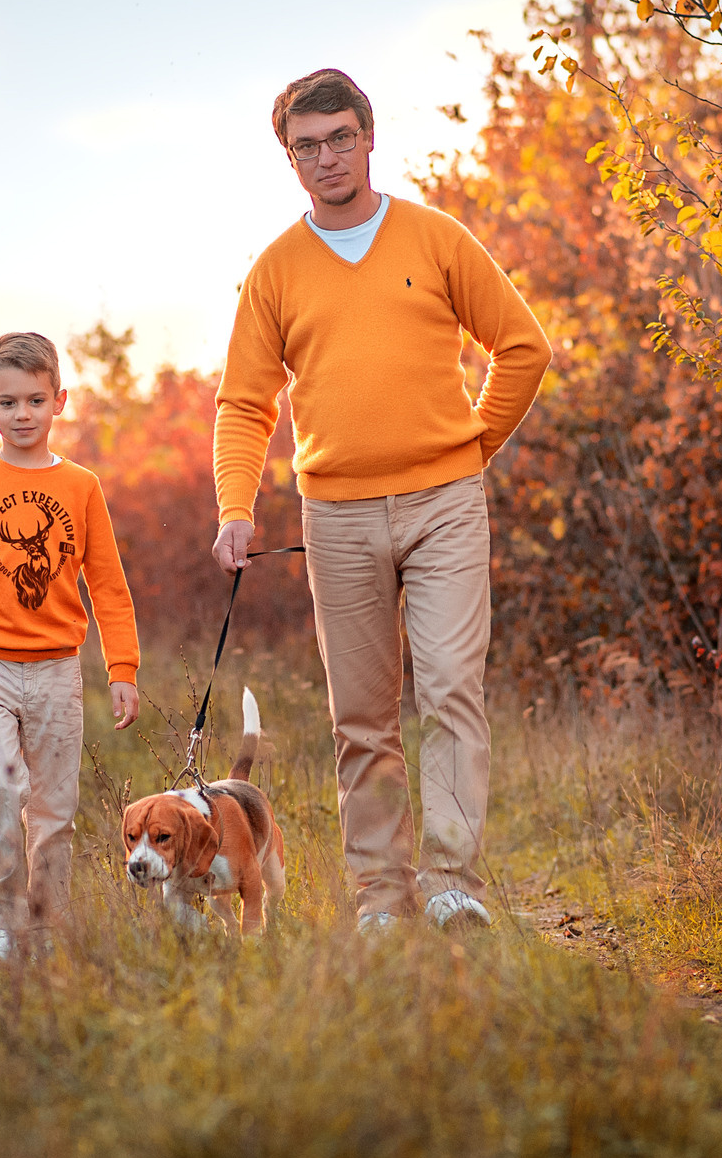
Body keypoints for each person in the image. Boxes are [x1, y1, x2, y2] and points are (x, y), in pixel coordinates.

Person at [212, 68, 551, 932]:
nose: (327, 158)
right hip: (336, 515)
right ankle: (381, 898)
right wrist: (235, 507)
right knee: (361, 718)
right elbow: (245, 404)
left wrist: (472, 446)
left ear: (368, 137)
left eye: (339, 138)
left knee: (449, 693)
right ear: (289, 160)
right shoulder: (275, 272)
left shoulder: (436, 239)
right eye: (306, 147)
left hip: (445, 503)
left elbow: (523, 347)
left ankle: (451, 885)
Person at [0, 331, 141, 970]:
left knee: (54, 809)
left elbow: (109, 585)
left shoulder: (82, 487)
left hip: (57, 673)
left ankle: (44, 930)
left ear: (59, 401)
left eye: (36, 401)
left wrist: (122, 667)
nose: (23, 415)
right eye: (9, 402)